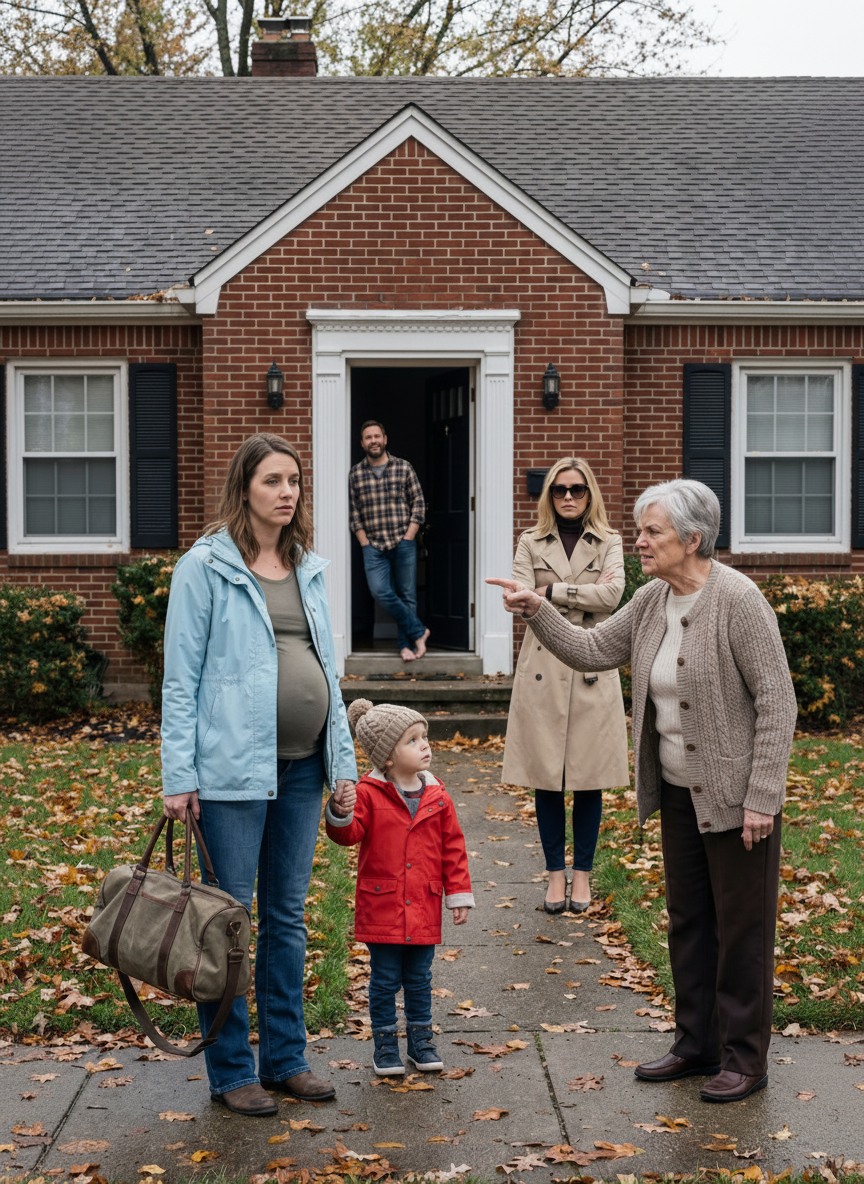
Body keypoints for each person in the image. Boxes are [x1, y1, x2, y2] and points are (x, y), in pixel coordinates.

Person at [489, 479, 797, 1104]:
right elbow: (592, 647)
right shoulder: (655, 599)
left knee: (742, 929)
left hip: (738, 799)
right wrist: (536, 608)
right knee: (689, 922)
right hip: (681, 792)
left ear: (693, 539)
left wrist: (763, 794)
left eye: (653, 531)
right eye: (641, 529)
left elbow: (777, 700)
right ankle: (696, 1044)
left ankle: (745, 1057)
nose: (641, 540)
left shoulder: (739, 599)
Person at [161, 433, 358, 1118]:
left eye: (295, 481)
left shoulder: (309, 567)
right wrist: (177, 775)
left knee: (286, 917)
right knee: (228, 923)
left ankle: (285, 1059)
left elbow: (328, 670)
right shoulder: (206, 566)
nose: (287, 492)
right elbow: (180, 680)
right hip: (230, 775)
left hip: (304, 770)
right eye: (273, 480)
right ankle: (229, 1070)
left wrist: (344, 765)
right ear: (244, 487)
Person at [502, 458, 629, 915]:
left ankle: (583, 877)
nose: (569, 497)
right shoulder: (529, 540)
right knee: (547, 779)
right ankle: (555, 876)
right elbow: (518, 599)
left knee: (588, 778)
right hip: (543, 666)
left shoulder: (610, 540)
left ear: (589, 493)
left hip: (595, 662)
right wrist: (570, 595)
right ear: (549, 495)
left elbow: (614, 597)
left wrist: (550, 592)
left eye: (577, 489)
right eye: (559, 490)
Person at [325, 698, 474, 1077]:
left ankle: (421, 1042)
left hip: (423, 904)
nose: (425, 745)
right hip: (384, 906)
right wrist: (340, 812)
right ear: (387, 758)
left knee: (420, 978)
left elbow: (453, 847)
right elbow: (349, 835)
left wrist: (458, 894)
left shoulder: (438, 796)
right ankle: (386, 1044)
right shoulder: (370, 794)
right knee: (385, 978)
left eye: (424, 737)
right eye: (412, 740)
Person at [349, 420, 430, 662]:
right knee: (380, 591)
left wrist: (410, 535)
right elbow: (354, 512)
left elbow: (418, 503)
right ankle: (419, 631)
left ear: (385, 439)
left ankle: (406, 645)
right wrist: (363, 541)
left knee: (407, 594)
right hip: (373, 545)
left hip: (403, 540)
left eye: (377, 436)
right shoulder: (356, 474)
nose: (373, 441)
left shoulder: (404, 468)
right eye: (367, 437)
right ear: (362, 443)